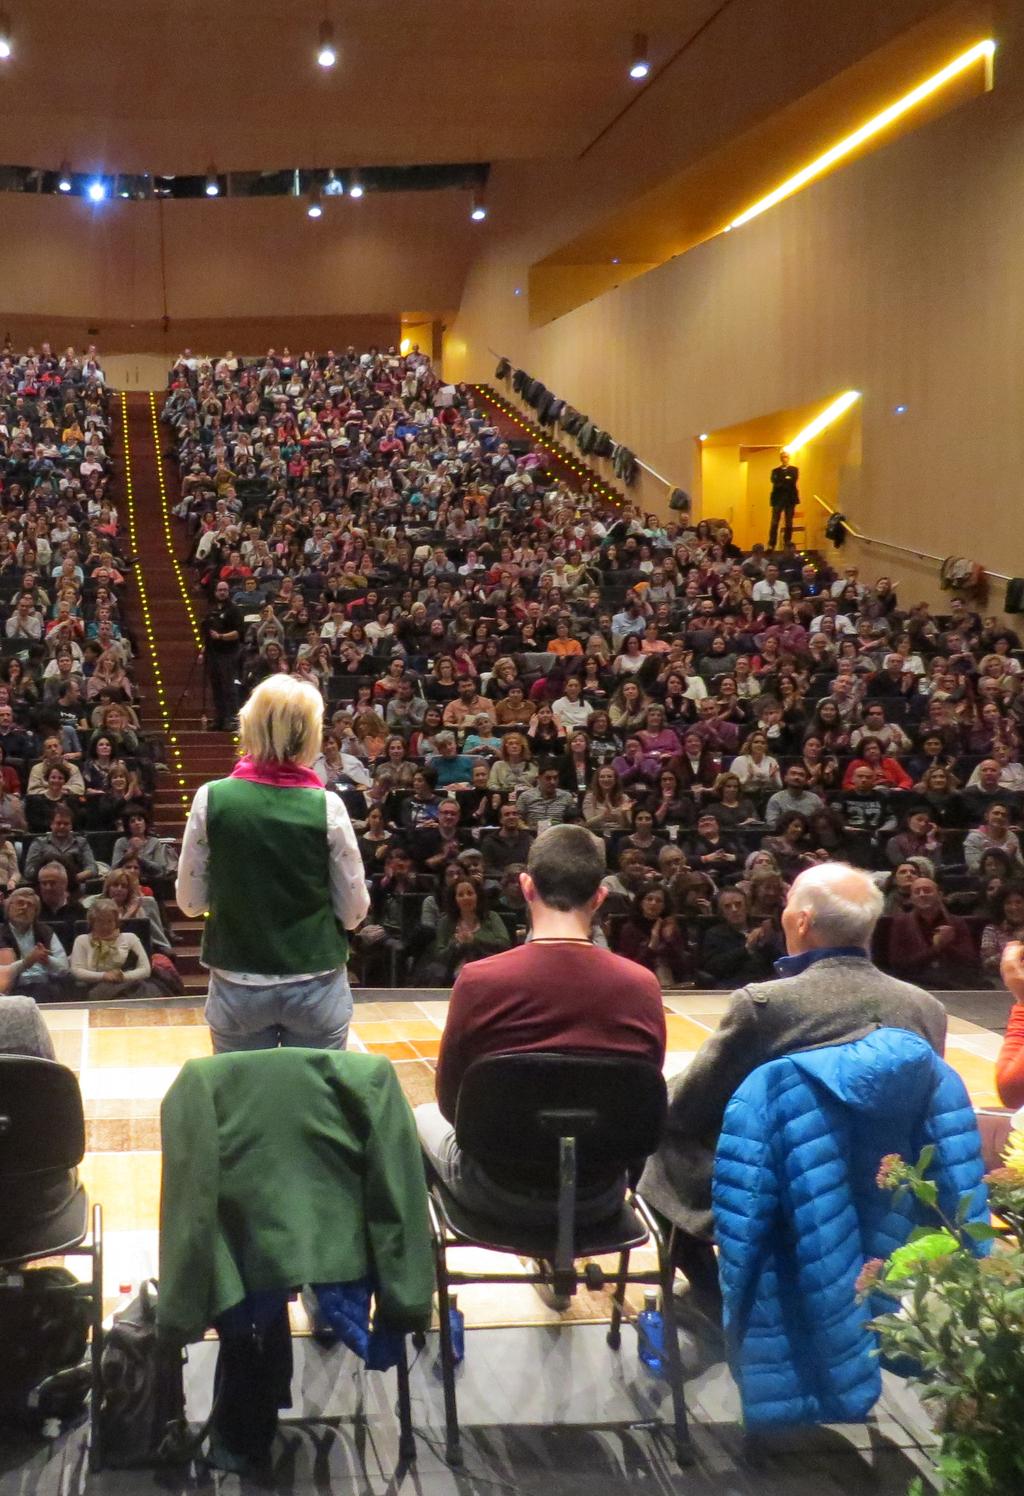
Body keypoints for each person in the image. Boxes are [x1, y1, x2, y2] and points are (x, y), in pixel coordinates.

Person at [638, 862, 947, 1336]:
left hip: (777, 1194)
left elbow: (688, 1107)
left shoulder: (765, 1006)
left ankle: (711, 1296)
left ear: (801, 922)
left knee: (656, 1141)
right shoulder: (928, 1010)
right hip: (876, 1198)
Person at [416, 825, 666, 1234]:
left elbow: (450, 1104)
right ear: (600, 896)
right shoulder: (643, 985)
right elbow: (640, 1100)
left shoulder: (480, 980)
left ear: (527, 887)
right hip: (599, 1192)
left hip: (496, 1188)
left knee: (420, 1116)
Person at [176, 675, 369, 1052]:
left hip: (237, 984)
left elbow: (190, 901)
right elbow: (353, 911)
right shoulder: (327, 806)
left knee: (243, 1099)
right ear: (308, 734)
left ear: (250, 726)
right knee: (317, 1099)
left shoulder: (209, 799)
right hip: (316, 983)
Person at [69, 897, 155, 1001]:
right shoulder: (82, 940)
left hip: (131, 987)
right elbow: (77, 971)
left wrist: (122, 977)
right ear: (92, 922)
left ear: (116, 921)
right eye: (100, 921)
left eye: (110, 921)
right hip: (96, 990)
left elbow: (145, 970)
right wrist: (104, 976)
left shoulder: (130, 938)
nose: (105, 926)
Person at [0, 885, 72, 1002]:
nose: (24, 907)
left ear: (36, 912)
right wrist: (26, 963)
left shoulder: (46, 932)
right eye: (20, 903)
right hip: (12, 990)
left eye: (30, 905)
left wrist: (47, 960)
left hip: (44, 987)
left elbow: (64, 969)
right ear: (8, 908)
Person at [202, 579, 245, 730]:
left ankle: (231, 719)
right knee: (216, 687)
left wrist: (221, 637)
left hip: (228, 654)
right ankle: (219, 719)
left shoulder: (234, 610)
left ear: (228, 592)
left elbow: (238, 633)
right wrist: (203, 651)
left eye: (225, 590)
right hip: (213, 654)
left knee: (228, 687)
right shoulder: (211, 610)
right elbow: (206, 632)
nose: (222, 592)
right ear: (215, 592)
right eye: (219, 590)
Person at [767, 450, 799, 550]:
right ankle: (771, 544)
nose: (784, 459)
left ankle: (787, 543)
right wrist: (785, 479)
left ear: (788, 458)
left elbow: (792, 481)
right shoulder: (775, 471)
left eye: (786, 457)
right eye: (783, 457)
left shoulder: (794, 469)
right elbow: (775, 482)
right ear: (781, 459)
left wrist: (782, 481)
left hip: (790, 499)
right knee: (774, 522)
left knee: (789, 522)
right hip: (778, 499)